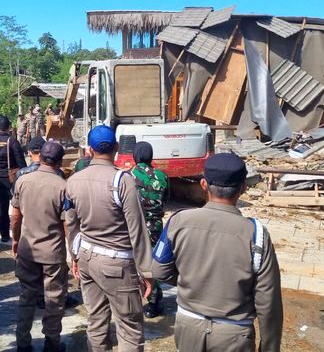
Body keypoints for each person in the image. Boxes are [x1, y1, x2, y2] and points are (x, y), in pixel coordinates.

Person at [152, 153, 283, 352]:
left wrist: (190, 278)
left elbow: (159, 271)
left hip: (189, 326)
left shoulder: (178, 221)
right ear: (243, 188)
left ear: (204, 184)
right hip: (234, 334)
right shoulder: (257, 235)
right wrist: (269, 346)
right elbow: (268, 299)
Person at [65, 125, 153, 352]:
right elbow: (137, 229)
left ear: (89, 150)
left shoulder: (74, 180)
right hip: (117, 265)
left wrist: (74, 256)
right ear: (115, 148)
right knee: (129, 327)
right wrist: (147, 271)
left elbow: (71, 224)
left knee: (96, 320)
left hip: (86, 258)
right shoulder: (122, 181)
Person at [11, 141, 70, 352]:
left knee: (26, 297)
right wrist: (72, 253)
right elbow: (67, 225)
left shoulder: (23, 181)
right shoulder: (63, 186)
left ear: (39, 157)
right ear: (60, 161)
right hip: (52, 253)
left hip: (28, 250)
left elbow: (16, 216)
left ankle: (23, 344)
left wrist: (16, 240)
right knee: (54, 300)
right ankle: (52, 343)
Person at [130, 141, 168, 318]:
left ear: (135, 156)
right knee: (152, 262)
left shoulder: (127, 176)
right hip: (155, 226)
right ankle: (153, 302)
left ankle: (132, 299)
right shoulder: (162, 176)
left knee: (132, 262)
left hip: (133, 226)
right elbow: (166, 199)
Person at [0, 115, 27, 242]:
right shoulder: (12, 141)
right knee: (19, 205)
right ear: (9, 127)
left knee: (1, 205)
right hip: (10, 178)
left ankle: (4, 235)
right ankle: (19, 233)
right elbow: (21, 162)